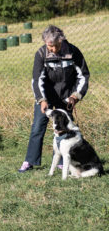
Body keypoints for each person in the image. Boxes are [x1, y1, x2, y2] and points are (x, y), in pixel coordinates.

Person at [18, 25, 89, 172]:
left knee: (65, 128)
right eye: (49, 47)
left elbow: (83, 76)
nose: (53, 50)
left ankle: (62, 162)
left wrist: (75, 96)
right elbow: (37, 80)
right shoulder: (41, 54)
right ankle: (29, 161)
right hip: (46, 97)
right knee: (37, 126)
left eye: (55, 46)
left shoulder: (73, 52)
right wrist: (41, 99)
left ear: (61, 40)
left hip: (66, 97)